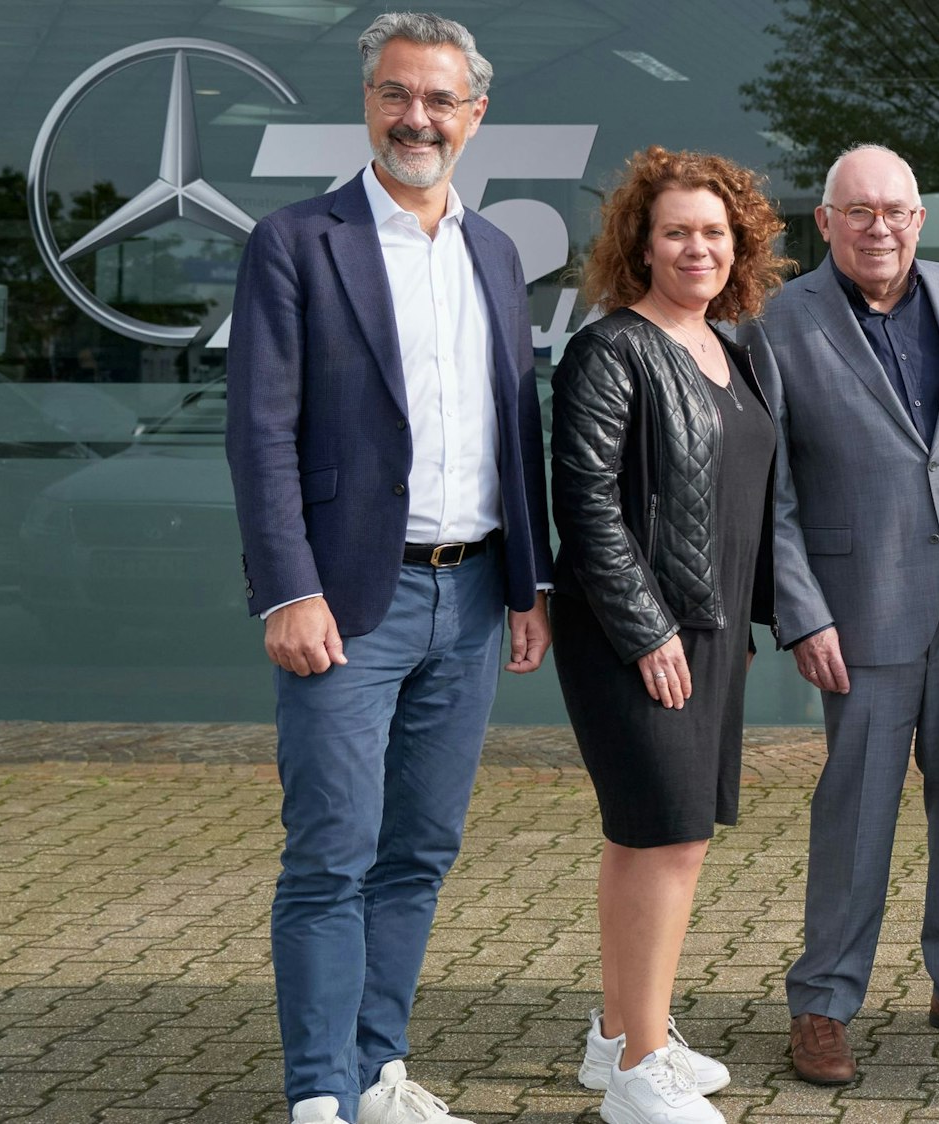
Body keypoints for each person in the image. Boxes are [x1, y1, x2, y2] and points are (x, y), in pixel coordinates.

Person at [223, 13, 552, 1124]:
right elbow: (260, 430)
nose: (418, 118)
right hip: (346, 602)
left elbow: (515, 427)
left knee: (418, 849)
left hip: (474, 594)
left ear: (475, 115)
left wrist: (529, 584)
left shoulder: (494, 251)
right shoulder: (295, 242)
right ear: (367, 104)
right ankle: (319, 1094)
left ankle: (377, 1073)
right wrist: (288, 587)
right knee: (332, 851)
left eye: (439, 99)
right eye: (397, 95)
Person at [739, 143, 939, 1086]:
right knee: (855, 809)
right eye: (859, 211)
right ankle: (823, 1001)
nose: (878, 228)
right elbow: (772, 490)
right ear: (825, 223)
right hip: (859, 607)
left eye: (895, 211)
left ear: (919, 220)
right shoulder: (776, 320)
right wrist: (801, 612)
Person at [550, 146, 791, 1124]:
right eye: (677, 232)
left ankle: (619, 1036)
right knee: (663, 833)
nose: (698, 248)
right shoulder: (610, 350)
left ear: (741, 246)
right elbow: (587, 506)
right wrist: (646, 629)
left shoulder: (736, 350)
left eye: (714, 232)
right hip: (635, 634)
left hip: (710, 629)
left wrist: (740, 623)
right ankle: (639, 1065)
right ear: (640, 246)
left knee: (663, 836)